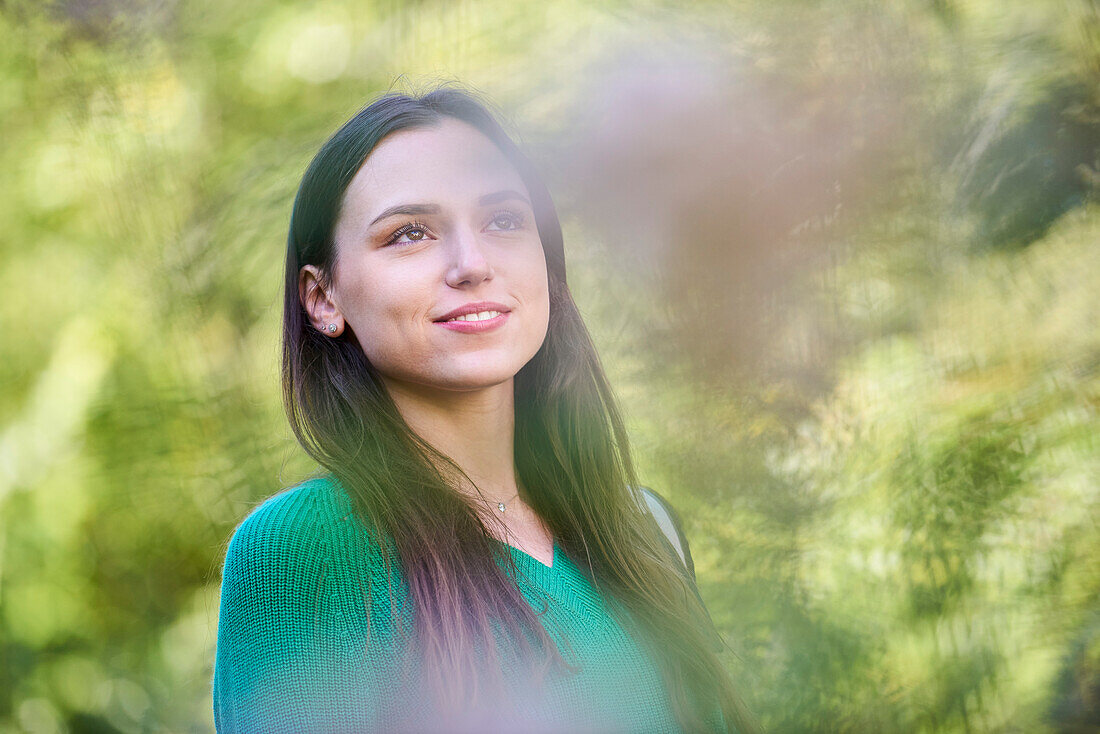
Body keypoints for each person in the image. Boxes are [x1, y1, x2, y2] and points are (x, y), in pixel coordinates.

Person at [212, 85, 759, 733]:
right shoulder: (304, 548)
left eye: (503, 221)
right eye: (409, 233)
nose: (472, 265)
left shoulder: (644, 531)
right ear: (322, 298)